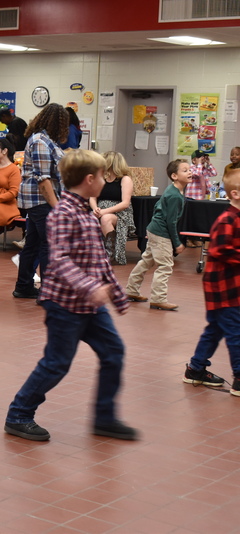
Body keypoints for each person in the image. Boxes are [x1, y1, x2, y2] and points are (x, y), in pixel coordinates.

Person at [5, 149, 137, 442]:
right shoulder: (63, 213)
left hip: (89, 306)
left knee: (113, 352)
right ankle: (19, 414)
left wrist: (117, 295)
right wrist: (92, 288)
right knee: (56, 363)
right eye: (103, 176)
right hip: (65, 304)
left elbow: (98, 260)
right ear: (90, 180)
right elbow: (61, 261)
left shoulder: (86, 213)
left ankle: (105, 418)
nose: (105, 180)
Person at [182, 170, 240, 394]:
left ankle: (196, 369)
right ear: (234, 194)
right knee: (236, 331)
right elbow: (220, 250)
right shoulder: (227, 220)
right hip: (223, 287)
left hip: (231, 285)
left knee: (216, 328)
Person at [12, 103, 68, 299]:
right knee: (49, 245)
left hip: (39, 201)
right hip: (41, 201)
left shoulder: (45, 140)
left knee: (33, 244)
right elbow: (43, 181)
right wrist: (58, 207)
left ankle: (24, 286)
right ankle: (48, 292)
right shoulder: (40, 142)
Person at [124, 159, 191, 311]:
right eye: (185, 170)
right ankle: (158, 299)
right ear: (174, 176)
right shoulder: (174, 196)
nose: (190, 172)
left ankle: (131, 290)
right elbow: (171, 222)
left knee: (146, 261)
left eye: (189, 169)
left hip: (155, 230)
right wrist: (176, 242)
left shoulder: (173, 190)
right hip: (161, 233)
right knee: (165, 265)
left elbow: (157, 208)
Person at [89, 151, 135, 265]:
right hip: (100, 210)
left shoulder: (125, 179)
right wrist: (95, 208)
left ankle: (109, 253)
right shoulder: (101, 178)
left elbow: (125, 203)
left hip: (120, 213)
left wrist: (104, 211)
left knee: (106, 218)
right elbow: (92, 197)